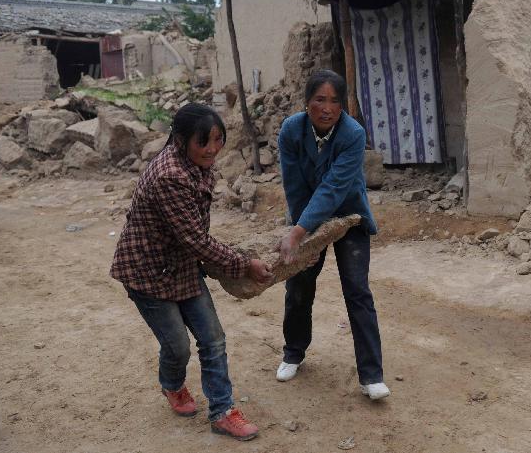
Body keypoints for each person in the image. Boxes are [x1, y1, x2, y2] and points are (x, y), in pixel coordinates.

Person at [110, 103, 273, 441]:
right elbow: (196, 239)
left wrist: (221, 260)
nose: (212, 149)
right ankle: (171, 384)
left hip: (182, 265)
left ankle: (222, 412)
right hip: (147, 273)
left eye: (217, 140)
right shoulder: (170, 175)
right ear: (181, 140)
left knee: (213, 338)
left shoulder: (197, 165)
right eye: (204, 142)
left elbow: (194, 237)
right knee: (179, 347)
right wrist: (243, 263)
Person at [275, 69, 389, 400]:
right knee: (299, 285)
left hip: (349, 216)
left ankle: (371, 376)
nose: (327, 108)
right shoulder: (291, 131)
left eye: (335, 101)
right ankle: (293, 353)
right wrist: (302, 231)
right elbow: (294, 186)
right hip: (305, 218)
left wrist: (298, 232)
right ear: (307, 102)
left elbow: (335, 187)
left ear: (343, 106)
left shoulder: (353, 134)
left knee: (357, 291)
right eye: (319, 100)